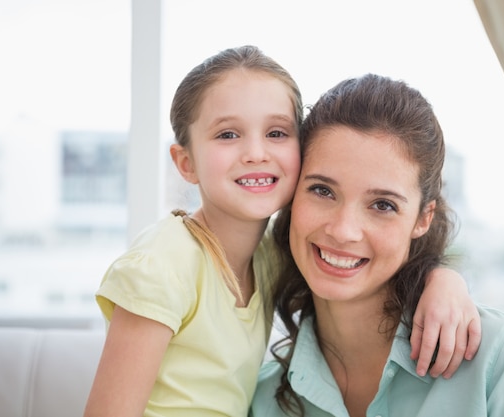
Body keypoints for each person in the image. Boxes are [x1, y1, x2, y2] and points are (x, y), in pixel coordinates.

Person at [84, 46, 481, 417]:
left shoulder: (272, 256)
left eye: (276, 133)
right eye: (227, 134)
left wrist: (444, 280)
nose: (256, 152)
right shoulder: (162, 264)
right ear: (185, 162)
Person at [250, 74, 504, 416]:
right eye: (322, 190)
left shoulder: (499, 357)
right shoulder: (265, 397)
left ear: (423, 218)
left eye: (383, 205)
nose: (343, 231)